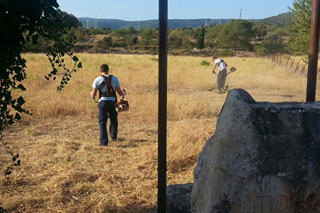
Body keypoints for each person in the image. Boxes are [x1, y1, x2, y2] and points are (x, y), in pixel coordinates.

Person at [90, 64, 126, 146]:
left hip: (103, 103)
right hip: (113, 102)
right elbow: (120, 93)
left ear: (100, 71)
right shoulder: (115, 79)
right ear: (108, 70)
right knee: (113, 120)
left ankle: (103, 142)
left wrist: (91, 94)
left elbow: (94, 94)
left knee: (102, 122)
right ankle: (113, 137)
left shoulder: (97, 79)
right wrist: (124, 93)